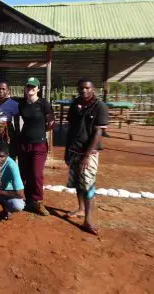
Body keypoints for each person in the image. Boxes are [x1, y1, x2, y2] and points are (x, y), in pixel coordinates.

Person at [64, 78, 108, 235]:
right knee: (77, 182)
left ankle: (88, 220)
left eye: (87, 88)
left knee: (88, 184)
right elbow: (71, 129)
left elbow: (98, 132)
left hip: (89, 153)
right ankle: (81, 209)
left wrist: (87, 156)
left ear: (93, 89)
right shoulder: (75, 104)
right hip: (74, 151)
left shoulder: (100, 107)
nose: (84, 90)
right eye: (81, 88)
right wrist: (67, 151)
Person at [18, 77, 55, 216]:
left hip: (39, 144)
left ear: (38, 89)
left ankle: (38, 201)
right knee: (25, 173)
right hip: (24, 143)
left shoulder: (44, 104)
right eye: (28, 86)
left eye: (33, 87)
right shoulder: (22, 105)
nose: (30, 89)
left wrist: (40, 132)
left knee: (36, 174)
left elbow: (51, 123)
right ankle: (28, 201)